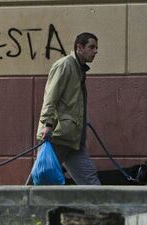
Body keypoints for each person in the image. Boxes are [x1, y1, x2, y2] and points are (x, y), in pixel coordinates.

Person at [27, 32, 101, 185]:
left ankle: (97, 209)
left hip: (74, 140)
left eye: (96, 48)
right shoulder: (65, 65)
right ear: (79, 47)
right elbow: (50, 97)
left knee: (91, 182)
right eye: (91, 47)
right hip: (57, 136)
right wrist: (47, 125)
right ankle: (21, 207)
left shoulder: (79, 69)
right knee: (40, 180)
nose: (95, 51)